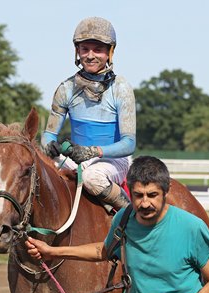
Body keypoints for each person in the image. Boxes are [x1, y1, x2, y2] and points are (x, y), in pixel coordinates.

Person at [25, 156, 209, 293]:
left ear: (166, 191)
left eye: (152, 195)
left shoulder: (191, 227)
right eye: (138, 195)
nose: (145, 203)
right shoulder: (123, 220)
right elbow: (103, 251)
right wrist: (52, 251)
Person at [41, 17, 136, 212]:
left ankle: (131, 218)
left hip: (113, 161)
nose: (90, 55)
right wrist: (49, 146)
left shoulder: (122, 88)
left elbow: (129, 144)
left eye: (98, 49)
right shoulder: (65, 89)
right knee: (38, 169)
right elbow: (48, 134)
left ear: (110, 52)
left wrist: (94, 152)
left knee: (93, 178)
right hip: (76, 159)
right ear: (77, 51)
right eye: (85, 49)